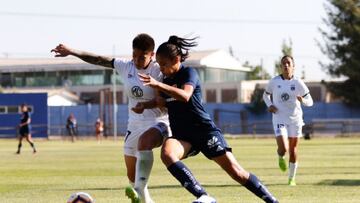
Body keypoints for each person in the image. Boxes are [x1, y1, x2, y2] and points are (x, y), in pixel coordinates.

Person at [136, 35, 278, 203]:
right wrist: (145, 105)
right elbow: (162, 102)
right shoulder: (166, 80)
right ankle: (204, 196)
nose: (161, 69)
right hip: (183, 136)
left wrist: (158, 85)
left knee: (236, 172)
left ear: (176, 59)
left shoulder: (189, 73)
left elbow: (185, 95)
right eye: (159, 65)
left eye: (164, 64)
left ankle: (272, 201)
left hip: (204, 131)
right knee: (167, 153)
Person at [51, 33, 170, 203]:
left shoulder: (159, 70)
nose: (136, 60)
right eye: (134, 55)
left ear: (151, 54)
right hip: (134, 124)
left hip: (159, 123)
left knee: (145, 144)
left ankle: (140, 191)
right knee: (132, 175)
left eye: (141, 57)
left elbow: (165, 100)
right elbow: (98, 59)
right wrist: (72, 51)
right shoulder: (126, 66)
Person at [263, 55, 313, 186]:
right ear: (281, 66)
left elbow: (310, 101)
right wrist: (270, 105)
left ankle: (292, 178)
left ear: (293, 66)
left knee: (293, 150)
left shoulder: (298, 83)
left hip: (295, 119)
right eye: (283, 63)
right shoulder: (274, 81)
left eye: (288, 63)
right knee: (283, 148)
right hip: (279, 117)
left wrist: (303, 100)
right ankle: (280, 156)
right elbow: (265, 95)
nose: (286, 65)